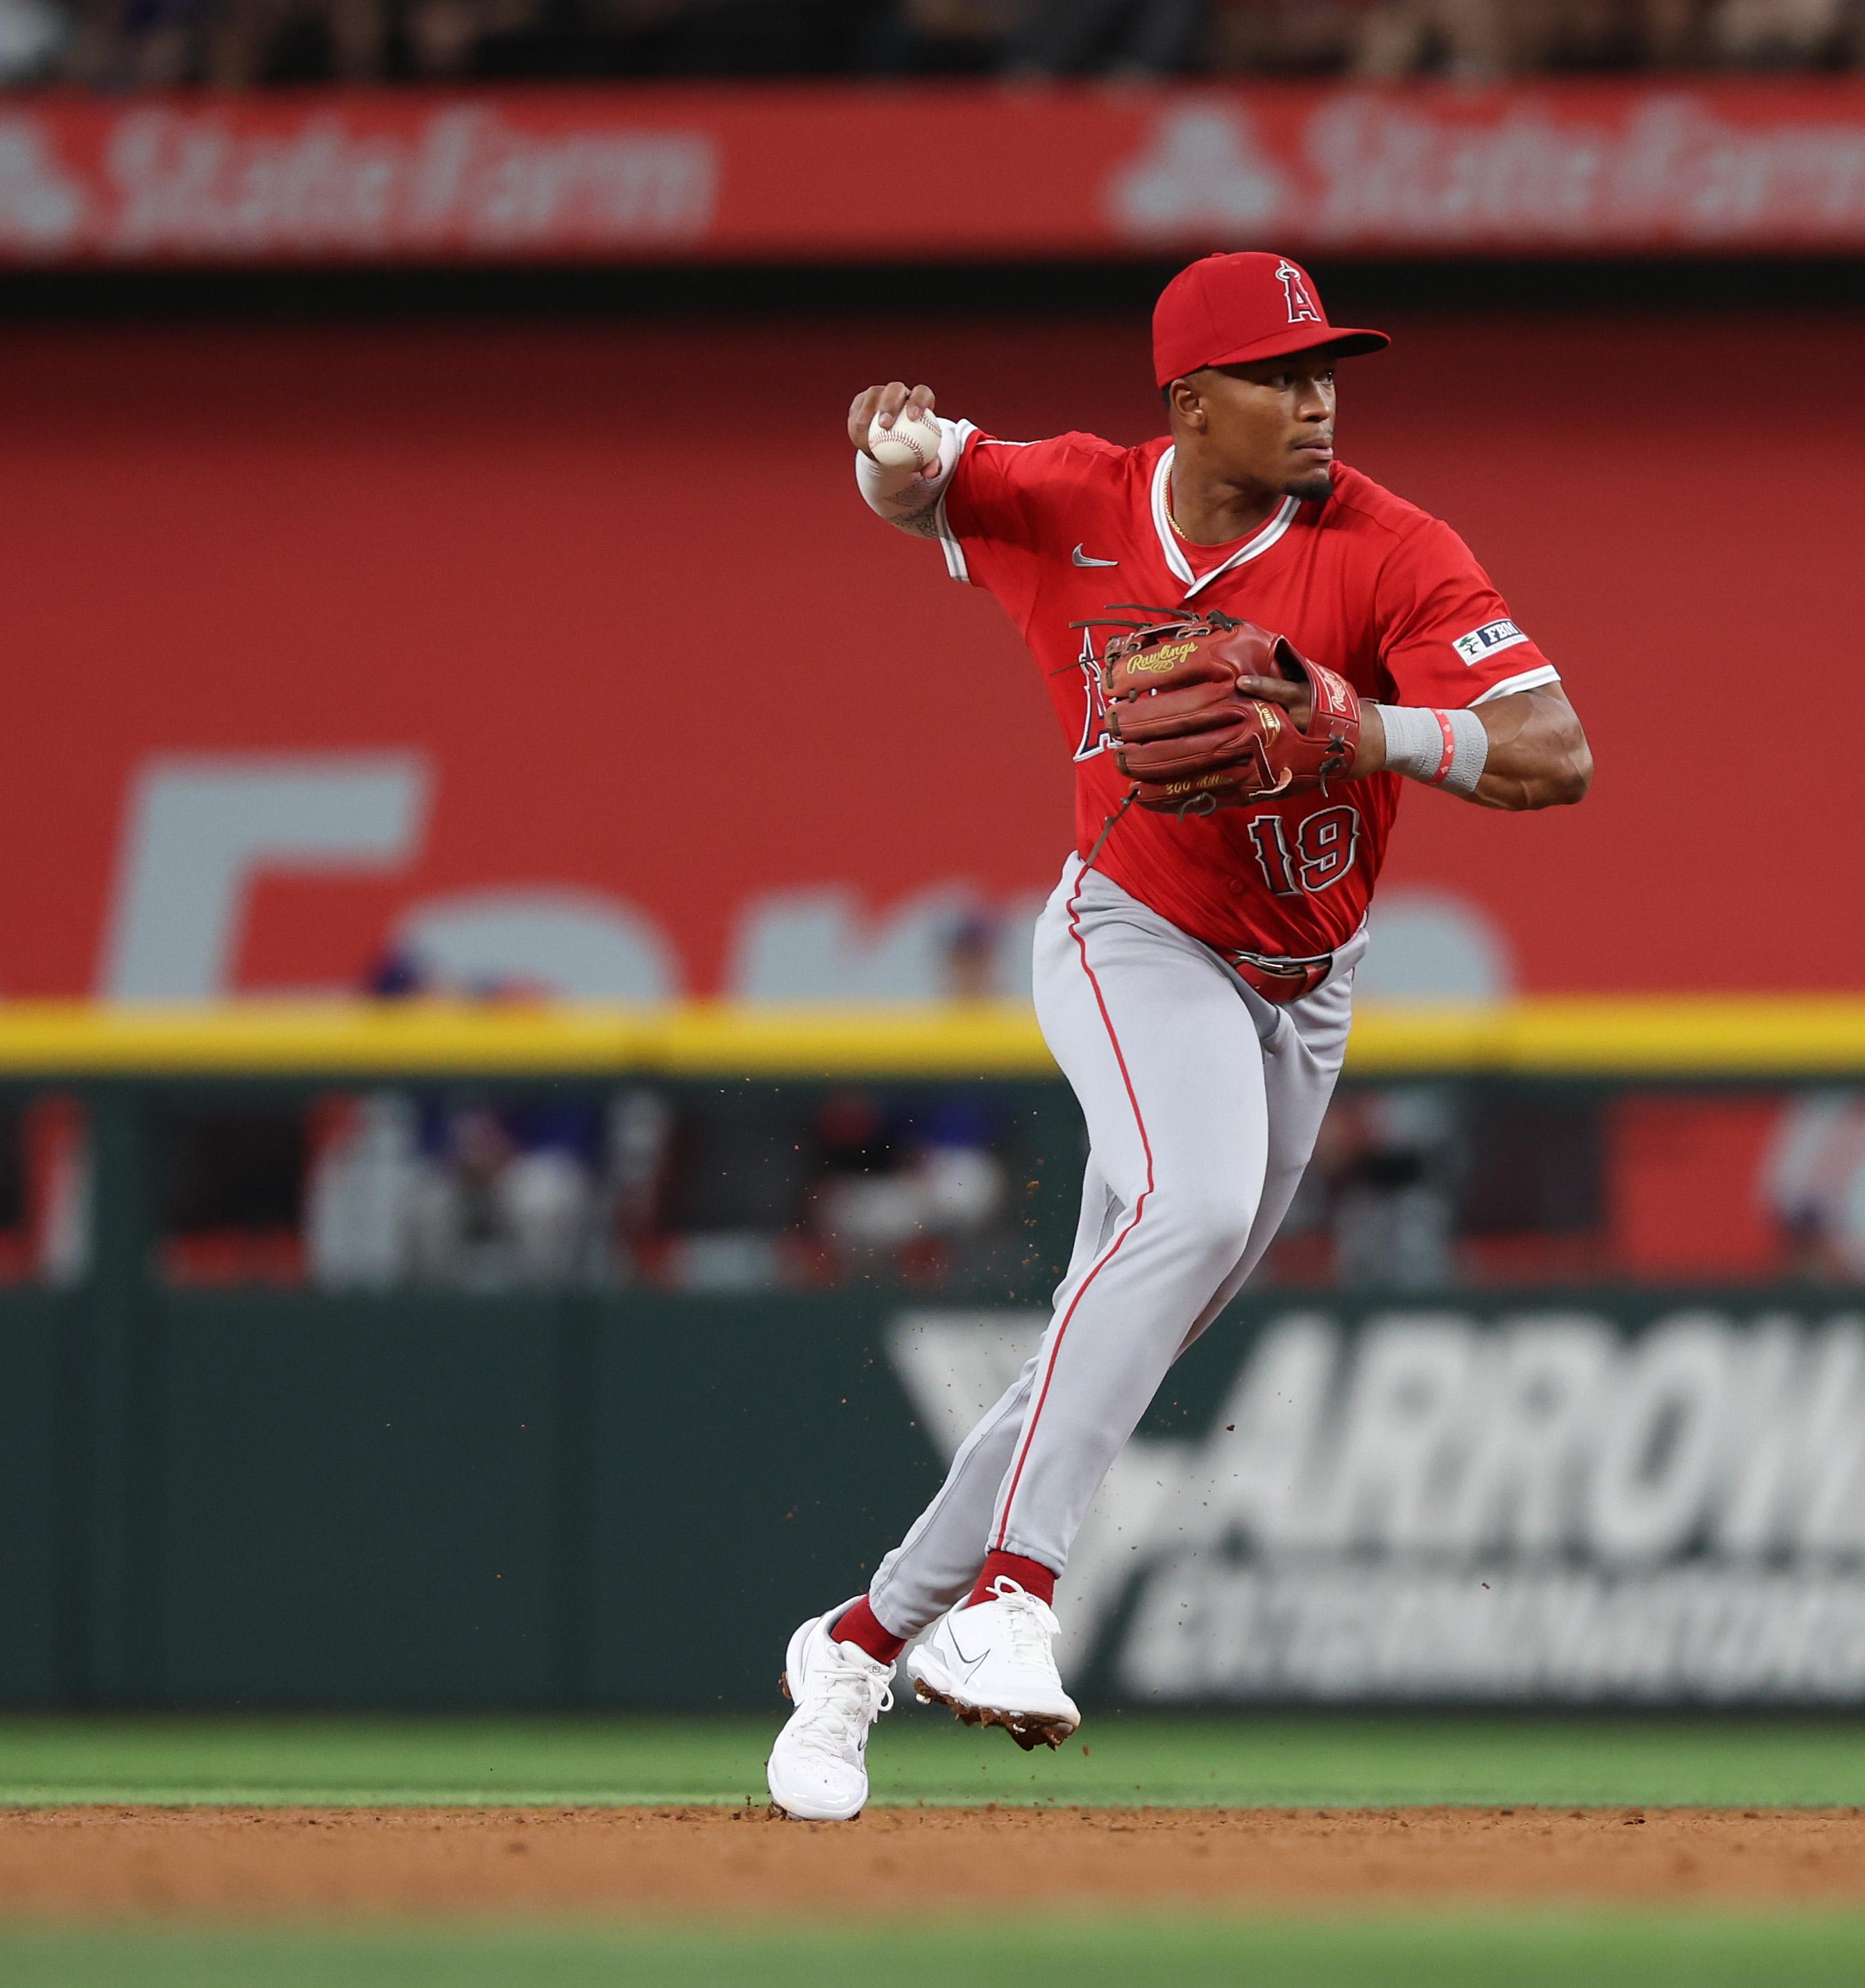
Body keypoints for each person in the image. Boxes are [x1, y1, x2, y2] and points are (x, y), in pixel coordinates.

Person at [766, 250, 1594, 1821]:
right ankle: (1013, 1589)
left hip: (1305, 988)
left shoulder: (1390, 548)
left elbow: (1558, 755)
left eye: (1327, 368)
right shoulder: (1080, 495)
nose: (1317, 397)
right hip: (1129, 931)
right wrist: (890, 455)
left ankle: (858, 1641)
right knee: (1189, 1211)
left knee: (1120, 1317)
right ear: (1189, 402)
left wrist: (1367, 725)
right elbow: (929, 476)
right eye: (1281, 375)